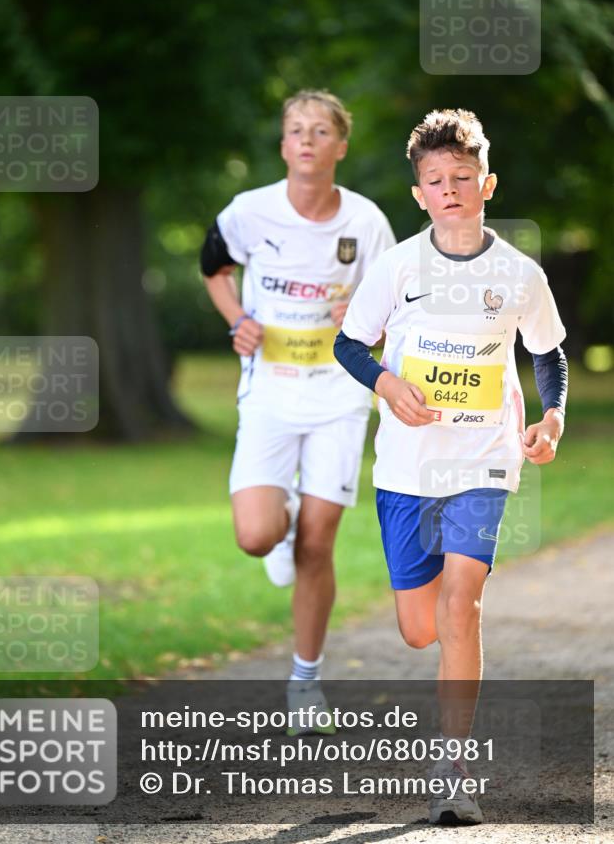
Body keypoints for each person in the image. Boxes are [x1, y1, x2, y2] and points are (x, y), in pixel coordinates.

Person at [334, 108, 567, 823]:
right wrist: (386, 383)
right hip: (406, 470)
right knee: (421, 626)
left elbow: (546, 354)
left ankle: (452, 771)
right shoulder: (398, 267)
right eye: (434, 180)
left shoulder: (518, 274)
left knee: (461, 604)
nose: (450, 189)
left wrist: (551, 415)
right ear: (418, 194)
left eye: (462, 176)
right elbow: (348, 346)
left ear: (486, 182)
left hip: (483, 462)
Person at [201, 90, 395, 731]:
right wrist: (239, 320)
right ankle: (277, 524)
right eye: (295, 130)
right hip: (270, 394)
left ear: (340, 146)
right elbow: (213, 265)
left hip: (339, 394)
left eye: (320, 131)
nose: (306, 140)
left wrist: (364, 319)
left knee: (319, 543)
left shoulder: (365, 223)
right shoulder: (249, 212)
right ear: (283, 146)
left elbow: (397, 306)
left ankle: (304, 682)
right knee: (257, 536)